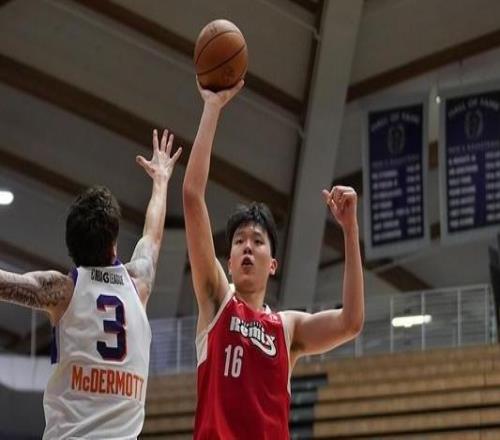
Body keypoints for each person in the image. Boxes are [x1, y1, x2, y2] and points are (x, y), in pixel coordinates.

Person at [183, 81, 364, 439]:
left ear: (273, 265)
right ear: (229, 262)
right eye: (239, 242)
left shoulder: (287, 328)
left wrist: (349, 230)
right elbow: (192, 196)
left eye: (257, 241)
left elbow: (351, 322)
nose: (247, 247)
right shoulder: (217, 301)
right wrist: (212, 107)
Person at [0, 129, 181, 439]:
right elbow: (152, 236)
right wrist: (161, 181)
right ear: (113, 243)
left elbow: (6, 283)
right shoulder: (138, 283)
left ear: (72, 250)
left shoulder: (62, 290)